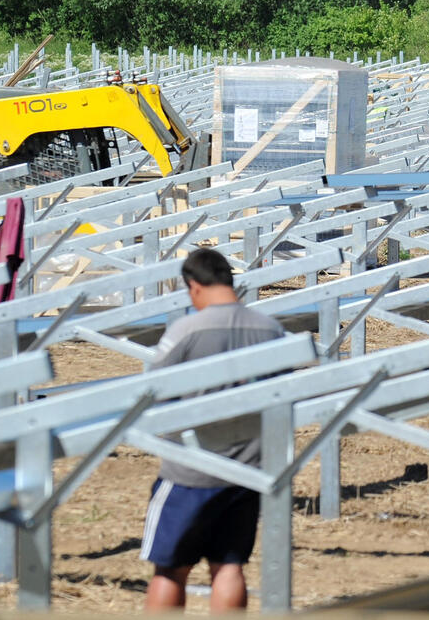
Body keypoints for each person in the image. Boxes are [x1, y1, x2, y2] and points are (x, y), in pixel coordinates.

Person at [140, 248, 285, 614]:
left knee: (170, 569)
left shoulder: (187, 330)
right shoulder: (269, 329)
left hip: (190, 469)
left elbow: (152, 391)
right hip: (246, 467)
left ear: (194, 286)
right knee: (229, 565)